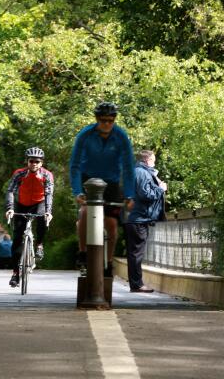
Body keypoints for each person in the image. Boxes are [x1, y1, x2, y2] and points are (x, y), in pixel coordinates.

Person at [69, 102, 136, 277]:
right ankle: (83, 253)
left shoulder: (121, 136)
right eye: (103, 120)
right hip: (88, 181)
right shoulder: (85, 135)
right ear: (97, 119)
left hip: (111, 183)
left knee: (112, 224)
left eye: (110, 120)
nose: (107, 124)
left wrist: (129, 195)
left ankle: (108, 263)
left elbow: (129, 167)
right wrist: (78, 192)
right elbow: (75, 166)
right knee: (85, 212)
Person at [5, 147, 54, 287]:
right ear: (27, 161)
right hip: (22, 204)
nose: (34, 164)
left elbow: (49, 194)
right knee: (17, 239)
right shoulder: (19, 174)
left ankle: (39, 244)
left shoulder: (47, 175)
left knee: (43, 218)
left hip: (40, 202)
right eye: (31, 161)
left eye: (37, 161)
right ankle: (15, 274)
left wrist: (48, 212)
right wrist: (10, 209)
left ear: (41, 162)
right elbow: (10, 191)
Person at [124, 150, 167, 292]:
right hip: (139, 219)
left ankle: (136, 284)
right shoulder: (141, 173)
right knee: (136, 255)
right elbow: (145, 194)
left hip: (137, 219)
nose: (154, 163)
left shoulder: (138, 172)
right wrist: (160, 189)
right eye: (153, 161)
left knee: (134, 254)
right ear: (147, 160)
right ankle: (137, 285)